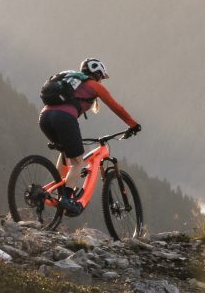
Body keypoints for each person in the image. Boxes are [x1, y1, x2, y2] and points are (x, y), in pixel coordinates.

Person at [39, 58, 138, 202]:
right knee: (78, 162)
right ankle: (65, 198)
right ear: (97, 74)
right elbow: (116, 107)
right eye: (101, 77)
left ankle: (56, 188)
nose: (101, 81)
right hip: (64, 119)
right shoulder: (93, 85)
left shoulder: (71, 82)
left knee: (65, 151)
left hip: (45, 117)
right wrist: (133, 124)